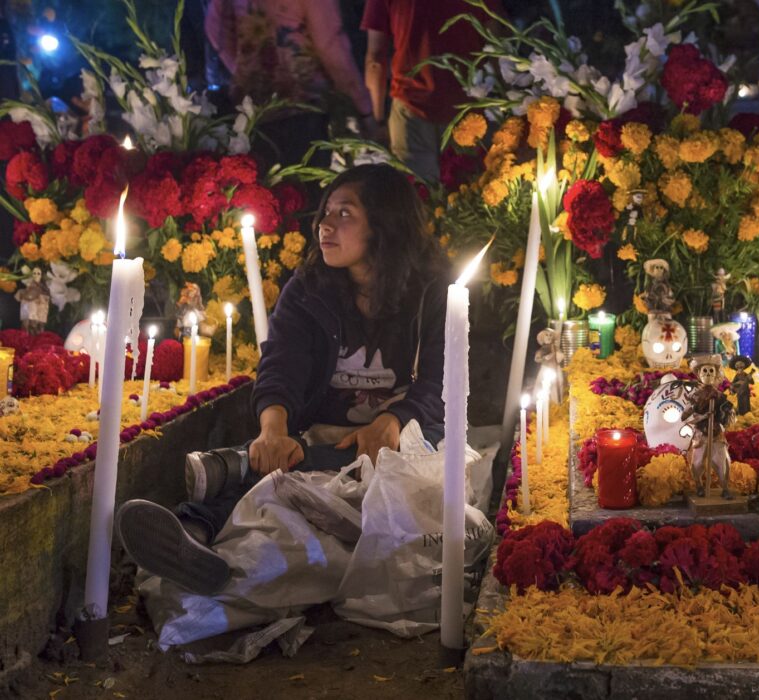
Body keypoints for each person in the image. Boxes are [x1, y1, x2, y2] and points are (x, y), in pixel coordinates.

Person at [116, 164, 450, 595]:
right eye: (325, 212)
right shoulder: (311, 289)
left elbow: (440, 384)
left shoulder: (431, 294)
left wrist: (394, 419)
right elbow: (281, 365)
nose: (325, 225)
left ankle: (214, 492)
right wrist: (273, 431)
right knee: (282, 461)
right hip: (323, 436)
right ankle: (191, 541)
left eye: (345, 214)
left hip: (408, 440)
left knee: (303, 471)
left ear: (384, 226)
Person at [205, 0, 378, 162]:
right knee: (308, 187)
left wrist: (245, 69)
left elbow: (215, 26)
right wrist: (365, 112)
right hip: (305, 112)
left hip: (252, 114)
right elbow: (333, 53)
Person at [361, 0, 504, 181]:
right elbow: (496, 47)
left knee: (418, 197)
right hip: (470, 112)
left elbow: (375, 60)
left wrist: (376, 118)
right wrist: (507, 100)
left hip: (411, 113)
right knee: (469, 196)